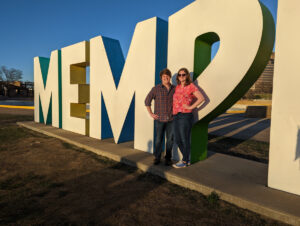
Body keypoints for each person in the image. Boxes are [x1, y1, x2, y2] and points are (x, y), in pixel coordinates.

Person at [172, 67, 205, 168]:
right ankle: (186, 159)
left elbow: (201, 98)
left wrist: (190, 107)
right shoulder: (177, 87)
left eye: (183, 74)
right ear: (178, 77)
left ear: (187, 76)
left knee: (184, 138)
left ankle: (185, 161)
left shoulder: (191, 86)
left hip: (185, 116)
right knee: (177, 139)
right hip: (176, 115)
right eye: (180, 75)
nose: (181, 76)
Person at [145, 68, 175, 165]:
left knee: (170, 140)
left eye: (167, 76)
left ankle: (167, 158)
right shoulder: (156, 89)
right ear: (161, 78)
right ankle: (157, 157)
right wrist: (151, 113)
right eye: (163, 76)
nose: (165, 78)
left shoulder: (175, 89)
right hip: (159, 119)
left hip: (172, 119)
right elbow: (147, 101)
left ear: (170, 77)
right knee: (158, 139)